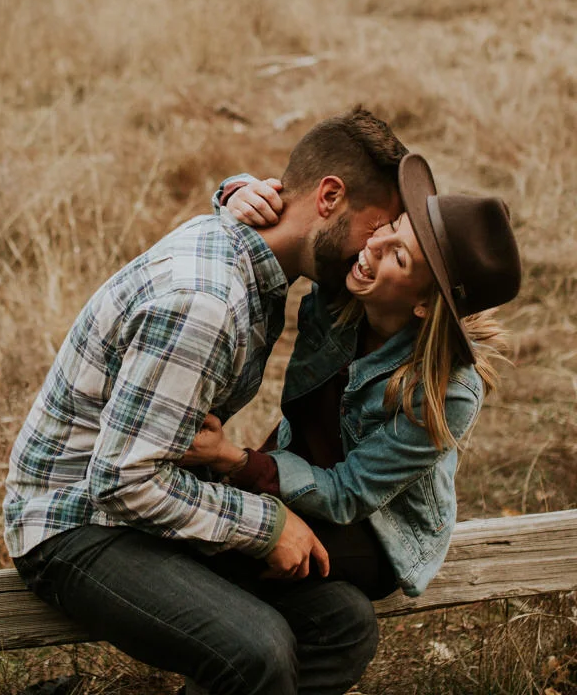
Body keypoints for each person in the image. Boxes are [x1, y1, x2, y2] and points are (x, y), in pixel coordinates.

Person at [3, 106, 409, 695]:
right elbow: (122, 481)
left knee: (343, 623)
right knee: (258, 652)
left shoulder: (250, 260)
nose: (372, 250)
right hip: (74, 520)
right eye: (376, 228)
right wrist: (269, 523)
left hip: (140, 495)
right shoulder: (206, 302)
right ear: (328, 198)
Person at [182, 153, 521, 604]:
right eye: (393, 226)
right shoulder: (347, 286)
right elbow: (307, 212)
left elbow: (348, 495)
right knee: (208, 527)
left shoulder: (447, 392)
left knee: (225, 548)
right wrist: (239, 192)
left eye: (398, 256)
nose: (373, 247)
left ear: (424, 304)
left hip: (372, 530)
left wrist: (235, 460)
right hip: (295, 468)